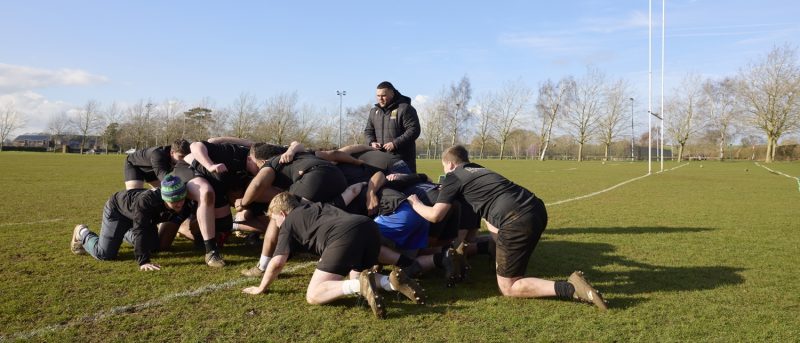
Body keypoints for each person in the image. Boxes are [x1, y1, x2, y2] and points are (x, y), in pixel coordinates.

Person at [406, 145, 608, 310]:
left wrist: (416, 203)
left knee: (510, 287)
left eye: (444, 167)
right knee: (499, 241)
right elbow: (486, 215)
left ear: (449, 164)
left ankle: (571, 288)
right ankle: (494, 252)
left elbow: (435, 215)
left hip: (516, 220)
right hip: (536, 209)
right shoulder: (480, 170)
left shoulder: (453, 176)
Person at [242, 192, 425, 319]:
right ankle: (391, 282)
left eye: (275, 220)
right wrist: (406, 261)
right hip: (367, 226)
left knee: (314, 294)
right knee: (357, 274)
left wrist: (261, 287)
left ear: (282, 213)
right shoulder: (317, 207)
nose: (277, 225)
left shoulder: (289, 221)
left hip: (343, 235)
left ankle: (359, 285)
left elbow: (278, 261)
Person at [70, 174, 192, 271]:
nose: (179, 203)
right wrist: (143, 261)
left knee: (153, 246)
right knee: (105, 254)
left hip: (139, 216)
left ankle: (120, 233)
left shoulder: (186, 203)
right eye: (174, 200)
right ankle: (82, 232)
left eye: (181, 198)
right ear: (165, 198)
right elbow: (140, 229)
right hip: (117, 210)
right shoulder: (147, 202)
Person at [364, 81, 421, 173]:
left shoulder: (405, 108)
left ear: (392, 93)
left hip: (402, 160)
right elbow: (368, 131)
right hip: (380, 160)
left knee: (402, 187)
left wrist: (395, 143)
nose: (380, 99)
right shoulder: (374, 112)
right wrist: (372, 142)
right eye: (378, 96)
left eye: (383, 96)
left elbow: (414, 130)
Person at [123, 139, 191, 190]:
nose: (184, 159)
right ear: (172, 152)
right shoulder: (158, 155)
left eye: (186, 156)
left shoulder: (178, 157)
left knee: (164, 192)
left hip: (154, 169)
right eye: (181, 156)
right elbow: (164, 178)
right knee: (135, 195)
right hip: (134, 164)